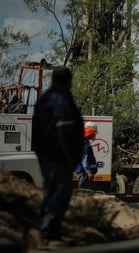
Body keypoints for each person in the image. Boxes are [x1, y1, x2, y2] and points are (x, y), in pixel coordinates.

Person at [32, 66, 84, 246]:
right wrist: (70, 157)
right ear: (67, 81)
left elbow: (37, 133)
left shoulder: (44, 99)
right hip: (59, 157)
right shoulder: (59, 100)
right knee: (59, 194)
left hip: (47, 156)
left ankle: (50, 232)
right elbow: (64, 130)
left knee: (51, 192)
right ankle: (48, 234)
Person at [74, 121, 98, 189]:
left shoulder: (85, 140)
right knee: (82, 190)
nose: (94, 135)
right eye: (93, 132)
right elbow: (84, 158)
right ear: (89, 131)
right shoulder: (83, 141)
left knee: (84, 190)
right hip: (83, 171)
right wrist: (89, 171)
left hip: (84, 170)